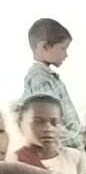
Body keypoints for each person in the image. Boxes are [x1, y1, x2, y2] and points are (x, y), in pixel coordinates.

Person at [22, 17, 82, 149]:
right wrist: (79, 142)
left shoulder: (49, 77)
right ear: (44, 47)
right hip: (66, 149)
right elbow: (50, 122)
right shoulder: (40, 79)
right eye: (63, 48)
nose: (66, 54)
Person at [13, 95, 86, 174]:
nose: (48, 128)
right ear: (20, 125)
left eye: (54, 122)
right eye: (38, 122)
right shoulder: (13, 162)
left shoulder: (73, 157)